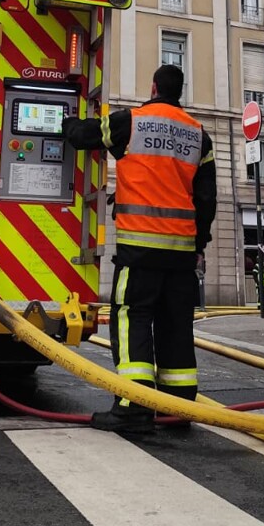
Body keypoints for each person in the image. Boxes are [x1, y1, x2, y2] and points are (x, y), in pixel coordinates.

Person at [62, 64, 217, 433]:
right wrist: (199, 245)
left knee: (131, 317)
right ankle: (177, 407)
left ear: (153, 86)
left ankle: (133, 404)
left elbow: (84, 136)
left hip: (140, 249)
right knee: (175, 323)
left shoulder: (132, 121)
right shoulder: (200, 136)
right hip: (181, 254)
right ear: (180, 91)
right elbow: (207, 199)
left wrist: (66, 119)